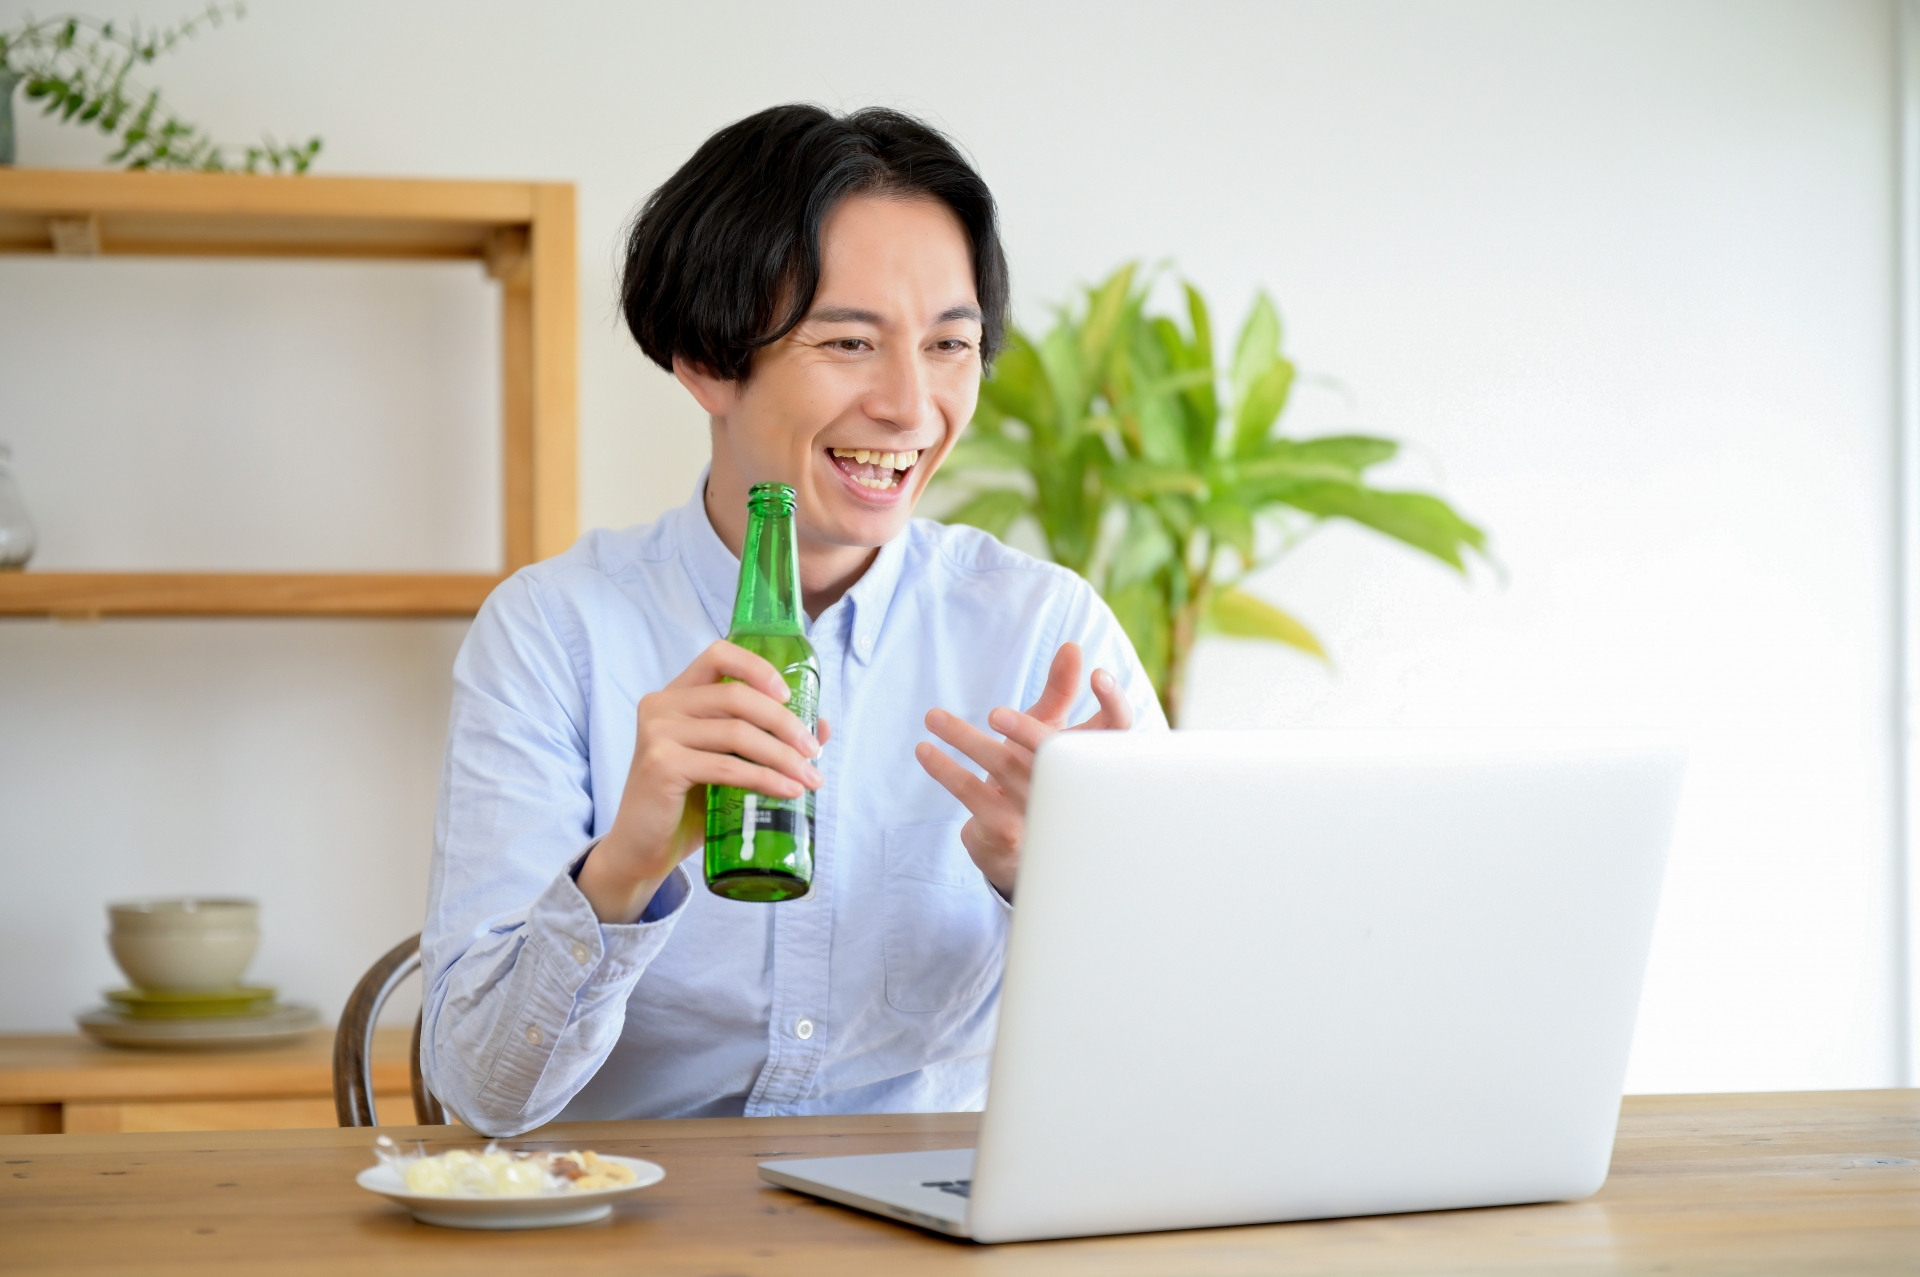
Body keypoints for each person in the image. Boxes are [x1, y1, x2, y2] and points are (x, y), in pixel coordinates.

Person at [421, 104, 1165, 1136]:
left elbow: (1177, 1049)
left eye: (950, 344)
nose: (911, 405)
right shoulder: (554, 632)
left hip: (937, 1205)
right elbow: (478, 1092)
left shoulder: (1045, 632)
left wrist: (1055, 885)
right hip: (637, 1207)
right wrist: (623, 867)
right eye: (850, 341)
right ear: (705, 357)